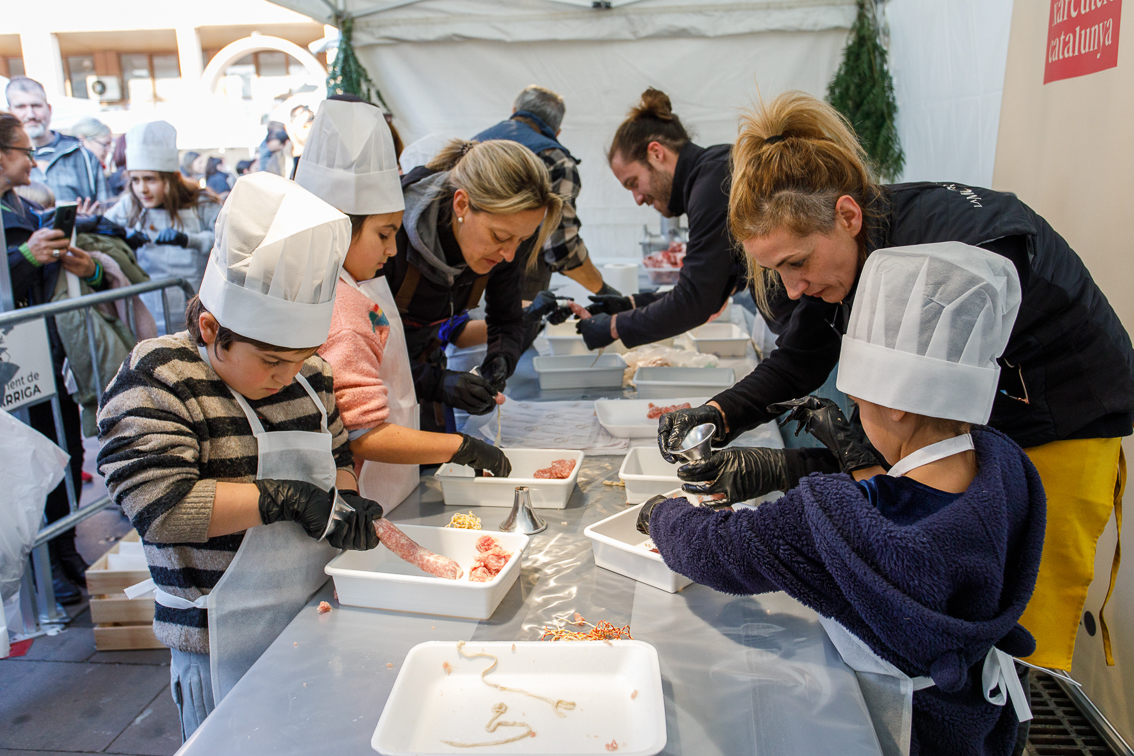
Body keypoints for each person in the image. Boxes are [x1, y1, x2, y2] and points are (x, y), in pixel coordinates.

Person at [660, 90, 1134, 673]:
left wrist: (803, 469)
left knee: (1017, 617)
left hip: (1063, 410)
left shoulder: (944, 257)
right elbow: (807, 358)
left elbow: (912, 435)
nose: (791, 287)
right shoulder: (845, 251)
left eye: (797, 263)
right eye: (774, 270)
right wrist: (720, 413)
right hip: (980, 421)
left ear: (847, 215)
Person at [641, 242, 1045, 756]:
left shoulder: (838, 519)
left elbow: (721, 552)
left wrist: (663, 515)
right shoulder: (1008, 471)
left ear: (895, 404)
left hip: (900, 729)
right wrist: (857, 462)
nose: (851, 406)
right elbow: (905, 499)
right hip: (978, 719)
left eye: (856, 400)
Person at [97, 172, 383, 739]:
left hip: (313, 617)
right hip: (214, 644)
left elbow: (337, 453)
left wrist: (345, 499)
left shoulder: (312, 376)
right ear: (211, 328)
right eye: (272, 362)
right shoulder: (159, 377)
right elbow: (161, 508)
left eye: (300, 359)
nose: (286, 377)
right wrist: (284, 499)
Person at [296, 98, 512, 510]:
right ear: (338, 227)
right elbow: (366, 431)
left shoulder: (356, 286)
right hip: (355, 488)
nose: (394, 250)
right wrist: (458, 446)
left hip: (380, 485)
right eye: (383, 234)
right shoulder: (340, 309)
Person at [2, 112, 109, 604]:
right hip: (12, 364)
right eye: (25, 150)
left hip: (42, 357)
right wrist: (24, 258)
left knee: (62, 449)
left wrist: (77, 266)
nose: (32, 158)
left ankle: (63, 549)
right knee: (24, 467)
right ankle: (41, 568)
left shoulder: (21, 208)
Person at [389, 139, 562, 430]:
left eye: (521, 241)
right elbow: (357, 357)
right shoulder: (391, 238)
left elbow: (506, 319)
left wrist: (501, 358)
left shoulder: (505, 244)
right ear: (461, 204)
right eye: (499, 237)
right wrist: (438, 383)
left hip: (421, 372)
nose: (508, 255)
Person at [573, 88, 744, 350]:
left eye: (634, 183)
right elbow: (712, 287)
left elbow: (696, 301)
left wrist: (613, 326)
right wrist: (629, 304)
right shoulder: (710, 172)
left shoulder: (713, 183)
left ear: (656, 153)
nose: (638, 199)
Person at [473, 86, 616, 308]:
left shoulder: (471, 146)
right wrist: (604, 291)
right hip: (515, 299)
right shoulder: (555, 161)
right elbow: (562, 248)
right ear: (557, 131)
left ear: (514, 110)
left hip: (459, 297)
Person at [104, 121, 221, 334]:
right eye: (136, 180)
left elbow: (224, 240)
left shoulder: (202, 203)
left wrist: (188, 240)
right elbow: (102, 230)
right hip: (148, 310)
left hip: (196, 305)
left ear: (171, 178)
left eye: (150, 179)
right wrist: (122, 234)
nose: (142, 189)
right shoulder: (129, 206)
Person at [5, 77, 109, 212]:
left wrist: (87, 220)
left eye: (36, 106)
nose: (30, 114)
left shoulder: (81, 155)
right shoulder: (6, 160)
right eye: (21, 107)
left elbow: (106, 209)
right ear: (10, 112)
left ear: (49, 109)